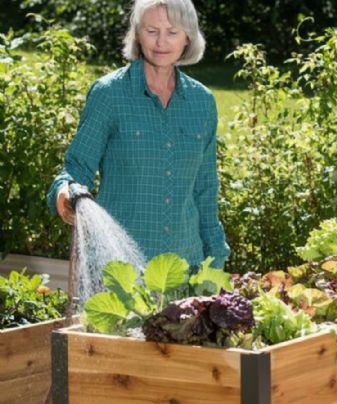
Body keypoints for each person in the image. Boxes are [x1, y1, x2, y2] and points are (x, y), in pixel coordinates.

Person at [47, 0, 230, 269]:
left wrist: (215, 259)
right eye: (151, 31)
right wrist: (65, 195)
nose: (161, 42)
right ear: (137, 34)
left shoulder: (202, 102)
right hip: (120, 270)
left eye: (172, 32)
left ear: (188, 37)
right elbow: (75, 169)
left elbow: (206, 189)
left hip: (185, 269)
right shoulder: (109, 94)